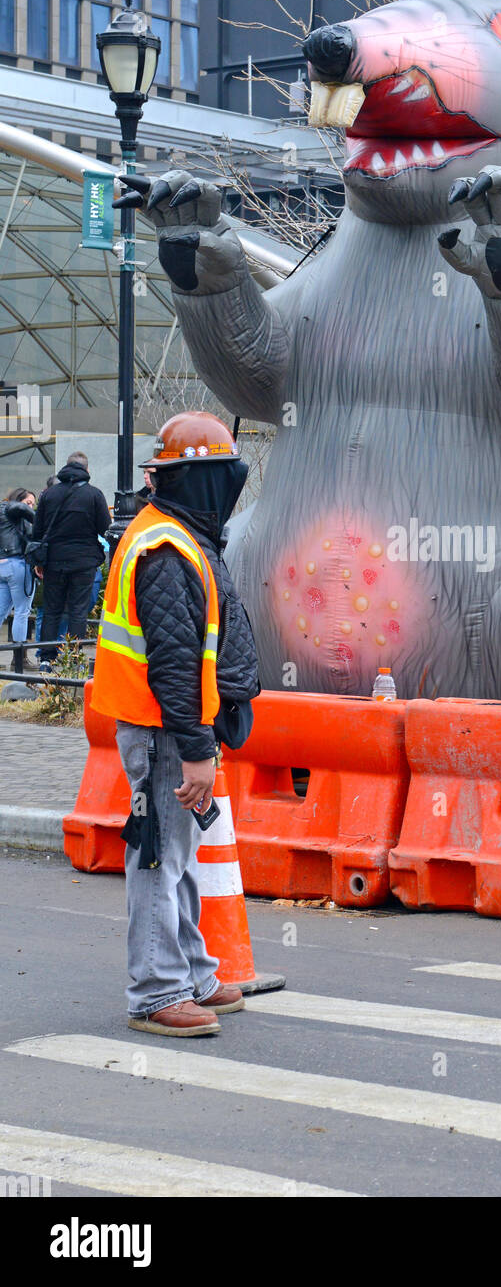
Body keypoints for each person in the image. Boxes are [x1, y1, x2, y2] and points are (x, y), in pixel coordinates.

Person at [91, 412, 260, 1037]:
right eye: (222, 474)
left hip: (170, 727)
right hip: (164, 730)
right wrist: (196, 749)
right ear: (201, 479)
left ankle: (190, 974)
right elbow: (173, 663)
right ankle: (157, 992)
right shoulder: (166, 548)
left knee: (178, 855)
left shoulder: (174, 533)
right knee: (159, 859)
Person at [31, 451, 110, 663]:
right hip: (84, 562)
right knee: (78, 611)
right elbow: (105, 530)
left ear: (66, 468)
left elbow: (37, 531)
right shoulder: (94, 495)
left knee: (52, 610)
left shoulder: (49, 494)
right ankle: (72, 658)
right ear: (87, 470)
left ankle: (46, 659)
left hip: (54, 561)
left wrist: (40, 562)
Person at [0, 487, 37, 669]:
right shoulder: (9, 508)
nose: (30, 506)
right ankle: (19, 660)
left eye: (33, 503)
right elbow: (20, 509)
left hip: (2, 565)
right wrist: (39, 520)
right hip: (17, 564)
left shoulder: (6, 518)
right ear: (18, 500)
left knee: (1, 611)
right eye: (28, 502)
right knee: (22, 612)